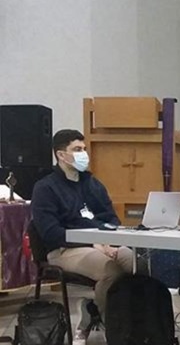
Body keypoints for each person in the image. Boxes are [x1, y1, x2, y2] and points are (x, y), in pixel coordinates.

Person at [31, 129, 134, 333]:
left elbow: (111, 219)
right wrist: (93, 243)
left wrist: (108, 243)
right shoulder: (45, 188)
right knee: (111, 270)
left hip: (102, 244)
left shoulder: (92, 183)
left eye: (84, 149)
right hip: (64, 249)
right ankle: (114, 328)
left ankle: (125, 316)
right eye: (77, 149)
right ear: (61, 154)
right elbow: (51, 233)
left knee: (135, 262)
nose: (84, 154)